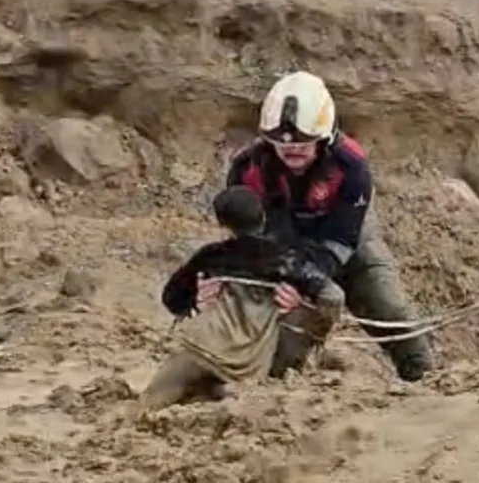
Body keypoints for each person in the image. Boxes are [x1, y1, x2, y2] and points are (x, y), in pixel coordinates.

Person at [225, 70, 431, 382]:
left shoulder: (351, 166)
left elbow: (343, 238)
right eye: (281, 143)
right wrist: (283, 277)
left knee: (388, 304)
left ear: (324, 137)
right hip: (283, 245)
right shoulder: (246, 171)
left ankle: (425, 378)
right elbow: (247, 238)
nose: (292, 148)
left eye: (304, 142)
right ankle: (275, 379)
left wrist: (311, 277)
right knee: (304, 307)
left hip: (346, 237)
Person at [136, 185, 346, 414]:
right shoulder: (287, 260)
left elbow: (171, 298)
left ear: (224, 226)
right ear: (263, 217)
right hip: (248, 367)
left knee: (146, 407)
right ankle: (220, 392)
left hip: (200, 349)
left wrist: (196, 301)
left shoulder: (211, 256)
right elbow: (333, 297)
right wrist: (313, 326)